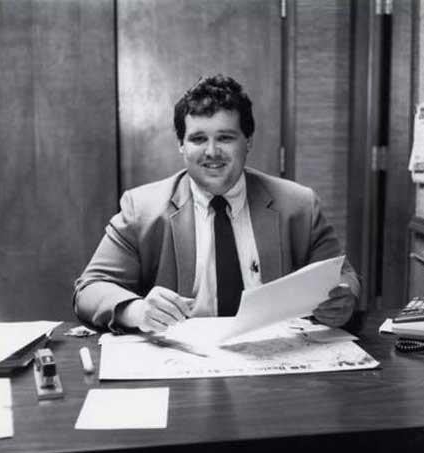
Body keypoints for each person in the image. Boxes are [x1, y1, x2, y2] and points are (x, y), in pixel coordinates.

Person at [73, 74, 360, 334]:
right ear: (182, 145)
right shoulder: (141, 209)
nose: (212, 152)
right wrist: (137, 311)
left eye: (225, 137)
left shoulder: (299, 205)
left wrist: (345, 298)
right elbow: (89, 289)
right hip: (181, 365)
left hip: (274, 361)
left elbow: (343, 275)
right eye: (198, 139)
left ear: (247, 141)